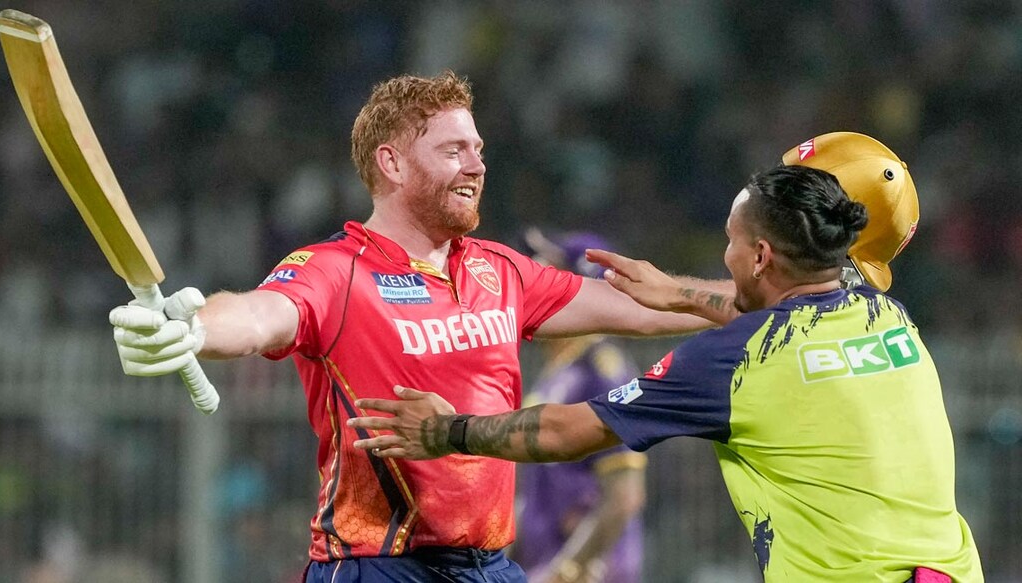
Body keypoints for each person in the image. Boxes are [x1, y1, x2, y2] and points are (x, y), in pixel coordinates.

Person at [108, 70, 733, 582]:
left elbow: (644, 307)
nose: (477, 165)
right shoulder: (335, 271)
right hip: (376, 568)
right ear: (394, 164)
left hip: (492, 568)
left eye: (480, 150)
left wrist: (781, 296)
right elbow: (257, 314)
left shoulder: (500, 271)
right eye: (454, 150)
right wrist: (194, 325)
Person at [348, 162, 984, 581]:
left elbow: (568, 434)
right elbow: (776, 305)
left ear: (760, 254)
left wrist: (448, 433)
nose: (724, 254)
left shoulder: (733, 362)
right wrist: (680, 294)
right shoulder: (886, 315)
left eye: (732, 241)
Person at [514, 228, 647, 583]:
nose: (533, 278)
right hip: (544, 563)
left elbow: (624, 495)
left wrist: (566, 570)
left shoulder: (601, 370)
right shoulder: (559, 369)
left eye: (549, 270)